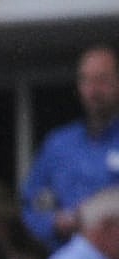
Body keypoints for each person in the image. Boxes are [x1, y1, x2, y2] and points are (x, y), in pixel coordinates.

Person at [21, 45, 119, 246]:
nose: (94, 90)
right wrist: (54, 222)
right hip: (70, 254)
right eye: (86, 81)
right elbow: (31, 204)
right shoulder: (58, 144)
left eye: (102, 80)